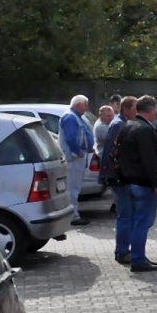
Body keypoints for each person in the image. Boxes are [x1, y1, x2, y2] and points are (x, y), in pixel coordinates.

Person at [115, 96, 157, 273]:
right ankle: (138, 259)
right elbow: (150, 161)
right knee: (142, 223)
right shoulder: (146, 130)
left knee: (129, 219)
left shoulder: (126, 126)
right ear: (151, 110)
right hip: (142, 183)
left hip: (127, 181)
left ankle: (127, 253)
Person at [59, 95, 95, 226]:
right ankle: (73, 216)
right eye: (85, 104)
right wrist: (78, 151)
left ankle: (73, 214)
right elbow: (70, 138)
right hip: (73, 158)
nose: (86, 108)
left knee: (74, 188)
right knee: (72, 188)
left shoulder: (76, 117)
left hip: (77, 158)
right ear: (79, 105)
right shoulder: (70, 117)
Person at [101, 95, 137, 224]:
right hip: (118, 174)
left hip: (123, 173)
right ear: (126, 109)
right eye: (134, 108)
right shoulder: (118, 124)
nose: (137, 111)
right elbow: (110, 149)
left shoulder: (124, 123)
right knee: (124, 211)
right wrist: (105, 172)